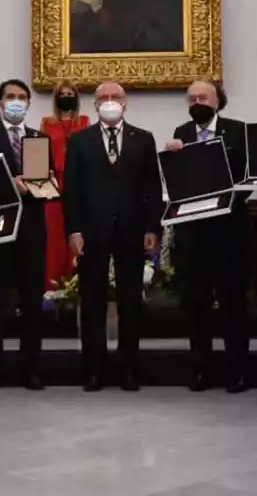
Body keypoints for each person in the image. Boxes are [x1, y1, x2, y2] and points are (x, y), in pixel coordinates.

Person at [63, 81, 161, 392]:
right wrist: (73, 229)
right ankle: (94, 369)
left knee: (130, 300)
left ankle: (129, 367)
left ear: (125, 102)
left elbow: (152, 189)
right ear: (94, 104)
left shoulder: (143, 140)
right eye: (103, 97)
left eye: (115, 97)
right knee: (92, 301)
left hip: (132, 230)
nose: (109, 101)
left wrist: (152, 228)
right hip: (92, 231)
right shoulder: (79, 141)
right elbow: (72, 190)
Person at [165, 80, 250, 393]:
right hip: (193, 233)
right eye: (192, 97)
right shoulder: (182, 132)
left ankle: (237, 369)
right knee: (195, 303)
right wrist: (171, 155)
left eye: (203, 96)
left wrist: (226, 200)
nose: (197, 101)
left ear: (218, 100)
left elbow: (247, 177)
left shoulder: (237, 130)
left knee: (232, 303)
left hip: (228, 231)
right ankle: (200, 369)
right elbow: (177, 178)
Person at [0, 79, 48, 391]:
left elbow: (43, 184)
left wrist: (39, 183)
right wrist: (10, 184)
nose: (16, 101)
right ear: (0, 103)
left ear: (29, 103)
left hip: (31, 228)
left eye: (21, 97)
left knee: (32, 301)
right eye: (10, 97)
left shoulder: (37, 138)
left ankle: (30, 368)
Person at [40, 82, 90, 289]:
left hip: (79, 181)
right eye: (63, 94)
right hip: (54, 182)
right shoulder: (47, 123)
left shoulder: (84, 121)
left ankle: (75, 282)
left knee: (77, 229)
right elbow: (41, 153)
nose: (67, 97)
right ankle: (52, 283)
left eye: (71, 94)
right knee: (53, 232)